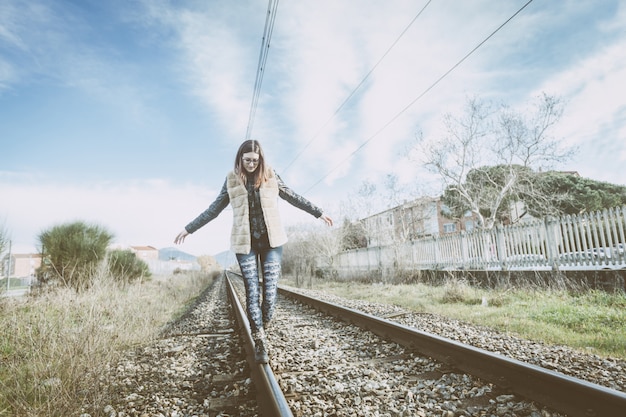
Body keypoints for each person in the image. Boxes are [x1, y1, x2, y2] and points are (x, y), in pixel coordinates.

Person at [174, 139, 333, 363]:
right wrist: (189, 228)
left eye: (255, 161)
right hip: (244, 243)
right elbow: (213, 210)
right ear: (240, 159)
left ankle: (264, 321)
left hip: (272, 242)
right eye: (247, 160)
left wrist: (318, 212)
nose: (251, 164)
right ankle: (259, 340)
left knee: (269, 293)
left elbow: (292, 196)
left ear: (261, 160)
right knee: (251, 290)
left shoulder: (270, 175)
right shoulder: (231, 179)